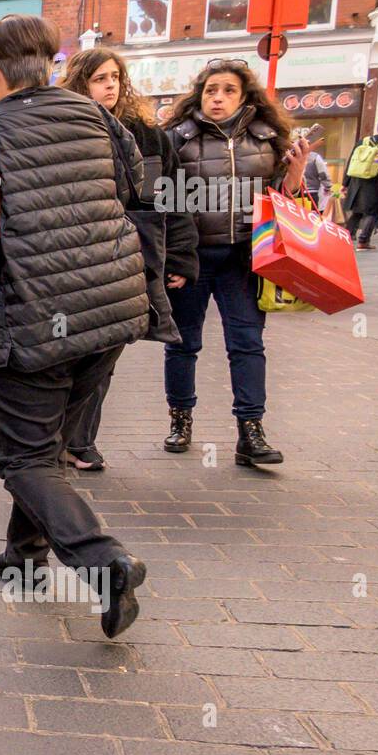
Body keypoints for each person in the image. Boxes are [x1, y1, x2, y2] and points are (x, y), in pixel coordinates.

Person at [0, 14, 150, 639]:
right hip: (112, 310)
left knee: (23, 456)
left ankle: (106, 566)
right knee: (47, 445)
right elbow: (137, 189)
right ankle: (24, 556)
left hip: (33, 320)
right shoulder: (99, 119)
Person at [163, 59, 309, 466]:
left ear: (244, 97)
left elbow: (284, 199)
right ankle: (180, 419)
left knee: (247, 344)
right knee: (183, 343)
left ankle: (251, 431)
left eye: (228, 90)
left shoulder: (267, 140)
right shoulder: (179, 138)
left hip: (244, 258)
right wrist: (174, 258)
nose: (218, 98)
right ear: (200, 94)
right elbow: (164, 204)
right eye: (211, 90)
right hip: (192, 260)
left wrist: (294, 176)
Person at [58, 47, 194, 471]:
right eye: (100, 78)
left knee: (109, 347)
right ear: (81, 82)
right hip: (80, 256)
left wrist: (181, 257)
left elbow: (171, 199)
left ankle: (78, 440)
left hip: (136, 254)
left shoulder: (148, 134)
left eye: (115, 76)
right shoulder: (66, 129)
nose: (111, 85)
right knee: (73, 350)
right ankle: (62, 439)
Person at [343, 118, 378, 250]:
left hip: (356, 182)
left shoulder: (363, 141)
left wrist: (345, 183)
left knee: (356, 212)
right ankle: (363, 241)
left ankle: (345, 237)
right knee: (373, 213)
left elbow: (351, 162)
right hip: (375, 184)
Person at [302, 147, 333, 214]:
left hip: (294, 192)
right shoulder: (314, 157)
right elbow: (323, 174)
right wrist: (328, 187)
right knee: (311, 218)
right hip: (311, 193)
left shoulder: (290, 155)